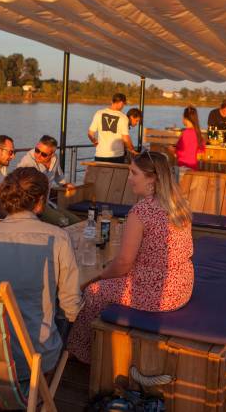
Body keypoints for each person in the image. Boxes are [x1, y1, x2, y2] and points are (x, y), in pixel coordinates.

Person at [67, 151, 194, 364]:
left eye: (134, 173)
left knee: (93, 292)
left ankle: (81, 355)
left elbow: (124, 263)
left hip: (158, 291)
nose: (129, 179)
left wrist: (99, 277)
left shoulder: (141, 211)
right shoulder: (178, 204)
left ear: (152, 177)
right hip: (183, 285)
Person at [0, 167, 82, 381]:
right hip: (36, 355)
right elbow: (71, 305)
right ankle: (39, 390)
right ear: (39, 202)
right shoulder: (58, 238)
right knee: (69, 313)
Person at [16, 135, 80, 226]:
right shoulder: (27, 162)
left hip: (47, 203)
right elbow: (16, 181)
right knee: (63, 221)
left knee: (77, 221)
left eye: (44, 154)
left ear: (52, 154)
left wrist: (65, 184)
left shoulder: (55, 159)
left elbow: (58, 175)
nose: (38, 155)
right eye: (37, 150)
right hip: (32, 206)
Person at [88, 93, 138, 163]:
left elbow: (90, 133)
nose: (123, 106)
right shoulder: (123, 117)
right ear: (121, 103)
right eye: (123, 104)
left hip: (100, 155)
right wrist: (132, 149)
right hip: (116, 156)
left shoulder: (98, 113)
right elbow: (126, 139)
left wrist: (94, 141)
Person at [173, 105, 205, 171]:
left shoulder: (185, 133)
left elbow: (179, 153)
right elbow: (201, 152)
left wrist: (171, 150)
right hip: (193, 168)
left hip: (183, 167)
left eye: (183, 116)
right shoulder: (198, 133)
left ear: (186, 118)